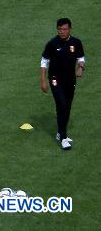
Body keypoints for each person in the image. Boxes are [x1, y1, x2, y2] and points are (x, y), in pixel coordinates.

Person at [40, 18, 86, 150]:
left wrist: (81, 67)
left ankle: (60, 133)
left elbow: (81, 57)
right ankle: (63, 137)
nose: (62, 32)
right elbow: (44, 61)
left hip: (70, 79)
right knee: (61, 104)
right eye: (59, 29)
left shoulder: (76, 42)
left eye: (64, 29)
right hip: (55, 79)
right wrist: (43, 80)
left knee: (67, 107)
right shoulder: (52, 43)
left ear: (70, 29)